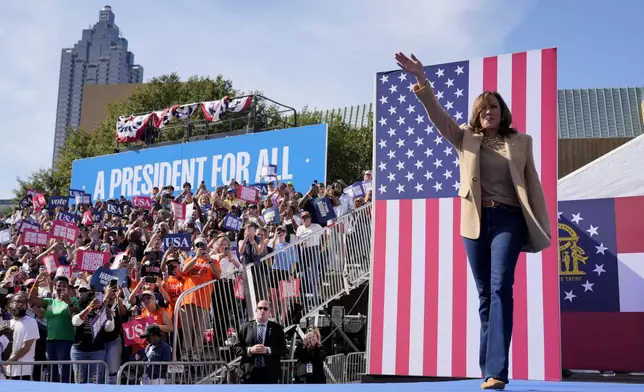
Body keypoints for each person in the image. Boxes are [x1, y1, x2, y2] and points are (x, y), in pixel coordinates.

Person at [396, 52, 552, 390]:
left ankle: (497, 371)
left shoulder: (521, 141)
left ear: (502, 111)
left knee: (500, 288)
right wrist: (421, 81)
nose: (488, 112)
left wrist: (539, 222)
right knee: (485, 294)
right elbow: (437, 116)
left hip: (509, 219)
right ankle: (489, 371)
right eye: (482, 109)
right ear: (476, 115)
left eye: (493, 107)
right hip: (475, 223)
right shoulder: (465, 137)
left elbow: (533, 182)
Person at [233, 300, 287, 384]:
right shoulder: (245, 328)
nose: (262, 310)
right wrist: (250, 350)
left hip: (270, 375)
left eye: (265, 309)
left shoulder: (277, 329)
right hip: (249, 374)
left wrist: (268, 350)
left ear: (269, 312)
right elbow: (236, 348)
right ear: (256, 310)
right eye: (260, 308)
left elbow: (283, 350)